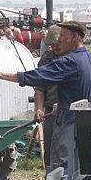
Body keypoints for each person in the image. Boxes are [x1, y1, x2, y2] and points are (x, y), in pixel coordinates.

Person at [0, 21, 91, 170]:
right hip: (87, 123)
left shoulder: (69, 62)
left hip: (68, 123)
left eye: (63, 36)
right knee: (80, 167)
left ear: (75, 37)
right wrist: (83, 101)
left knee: (60, 169)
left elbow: (35, 76)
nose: (59, 40)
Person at [33, 25, 63, 167]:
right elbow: (39, 89)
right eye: (51, 45)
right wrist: (39, 109)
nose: (54, 48)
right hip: (51, 111)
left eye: (57, 45)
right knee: (50, 152)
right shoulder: (46, 60)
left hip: (73, 110)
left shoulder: (75, 58)